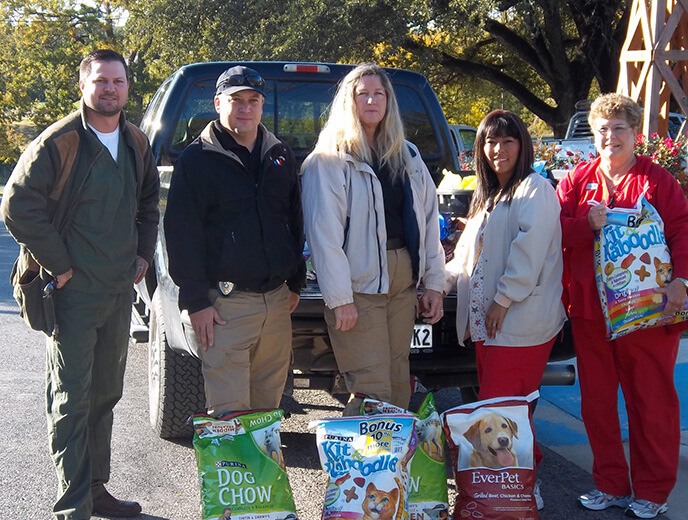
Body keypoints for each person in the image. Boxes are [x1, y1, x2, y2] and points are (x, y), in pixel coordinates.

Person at [1, 50, 159, 518]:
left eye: (117, 81)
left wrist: (143, 254)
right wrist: (59, 264)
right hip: (71, 294)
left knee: (106, 393)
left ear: (128, 87)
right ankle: (73, 506)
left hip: (116, 292)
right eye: (100, 81)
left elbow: (149, 202)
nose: (109, 88)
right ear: (84, 87)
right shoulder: (61, 142)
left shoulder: (135, 141)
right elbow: (17, 204)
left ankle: (95, 488)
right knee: (72, 397)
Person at [557, 93, 688, 519]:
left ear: (635, 134)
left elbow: (683, 231)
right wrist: (586, 224)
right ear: (593, 134)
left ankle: (653, 492)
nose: (610, 136)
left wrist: (680, 278)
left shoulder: (657, 181)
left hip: (649, 312)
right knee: (597, 404)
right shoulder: (577, 181)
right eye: (603, 128)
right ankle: (611, 485)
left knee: (651, 402)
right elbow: (555, 232)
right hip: (590, 312)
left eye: (619, 128)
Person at [301, 63, 446, 416]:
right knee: (372, 387)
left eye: (378, 93)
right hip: (358, 283)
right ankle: (356, 470)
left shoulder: (407, 154)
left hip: (403, 278)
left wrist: (434, 285)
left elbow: (428, 221)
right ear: (348, 102)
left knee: (398, 379)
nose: (371, 100)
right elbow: (324, 237)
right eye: (362, 93)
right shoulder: (329, 159)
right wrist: (339, 299)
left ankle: (391, 468)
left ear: (388, 101)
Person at [164, 66, 305, 416]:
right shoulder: (197, 160)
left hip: (276, 303)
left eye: (253, 100)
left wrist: (296, 281)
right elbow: (182, 233)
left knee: (267, 413)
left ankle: (260, 473)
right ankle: (233, 472)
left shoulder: (280, 154)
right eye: (236, 100)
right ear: (217, 103)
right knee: (230, 415)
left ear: (262, 105)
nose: (245, 108)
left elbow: (294, 220)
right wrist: (196, 300)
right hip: (224, 307)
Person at [444, 109, 566, 510]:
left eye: (507, 140)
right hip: (492, 328)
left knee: (504, 412)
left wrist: (501, 300)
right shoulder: (490, 195)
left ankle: (517, 491)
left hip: (519, 325)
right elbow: (467, 259)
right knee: (505, 411)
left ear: (523, 145)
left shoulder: (535, 189)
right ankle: (508, 488)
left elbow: (527, 256)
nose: (498, 149)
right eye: (490, 142)